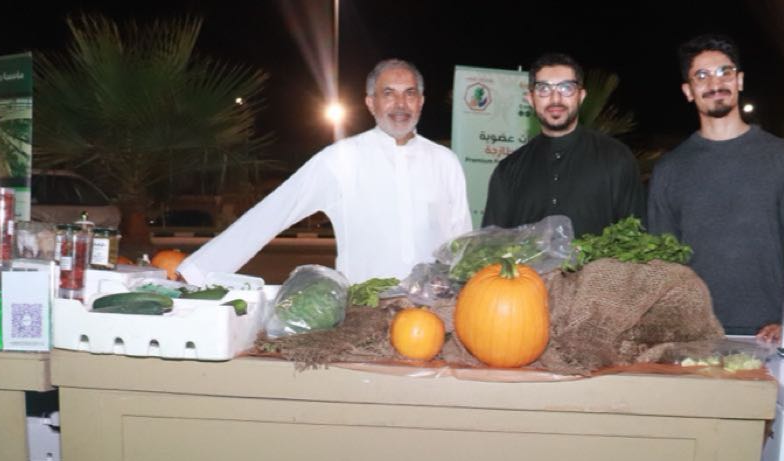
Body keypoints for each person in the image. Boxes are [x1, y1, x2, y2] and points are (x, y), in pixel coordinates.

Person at [178, 59, 472, 286]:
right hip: (363, 312)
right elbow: (274, 211)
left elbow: (461, 239)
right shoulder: (342, 159)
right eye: (388, 93)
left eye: (409, 93)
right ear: (371, 103)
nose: (400, 104)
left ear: (421, 101)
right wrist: (196, 272)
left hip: (433, 311)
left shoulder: (445, 162)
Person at [647, 34, 784, 342]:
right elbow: (662, 263)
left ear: (739, 81)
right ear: (688, 91)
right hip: (695, 334)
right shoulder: (669, 169)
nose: (715, 83)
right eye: (702, 76)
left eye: (724, 72)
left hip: (770, 334)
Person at [482, 53, 644, 237]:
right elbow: (491, 244)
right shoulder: (508, 170)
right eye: (544, 88)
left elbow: (635, 239)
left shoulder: (616, 158)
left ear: (581, 96)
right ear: (530, 99)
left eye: (566, 88)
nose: (555, 98)